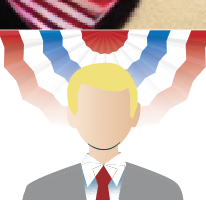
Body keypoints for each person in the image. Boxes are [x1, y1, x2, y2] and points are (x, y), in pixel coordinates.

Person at [22, 63, 182, 200]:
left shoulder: (166, 193)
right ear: (71, 115)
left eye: (116, 110)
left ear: (135, 114)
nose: (104, 121)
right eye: (92, 110)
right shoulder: (39, 193)